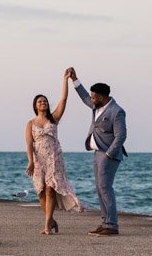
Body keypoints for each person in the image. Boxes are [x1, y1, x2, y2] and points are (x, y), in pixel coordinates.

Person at [67, 67, 127, 236]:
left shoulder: (117, 111)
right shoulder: (96, 105)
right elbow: (84, 96)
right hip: (97, 153)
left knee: (105, 187)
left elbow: (121, 136)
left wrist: (109, 154)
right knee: (100, 188)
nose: (91, 98)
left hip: (109, 155)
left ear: (101, 96)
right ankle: (105, 222)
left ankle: (112, 225)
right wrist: (75, 79)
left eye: (94, 96)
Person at [25, 69, 84, 235]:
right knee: (41, 192)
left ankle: (46, 227)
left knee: (51, 189)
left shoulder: (54, 118)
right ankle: (50, 220)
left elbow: (63, 99)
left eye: (44, 101)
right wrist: (30, 161)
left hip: (53, 158)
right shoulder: (30, 123)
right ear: (35, 106)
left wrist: (65, 79)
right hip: (38, 160)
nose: (43, 103)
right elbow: (29, 144)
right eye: (39, 101)